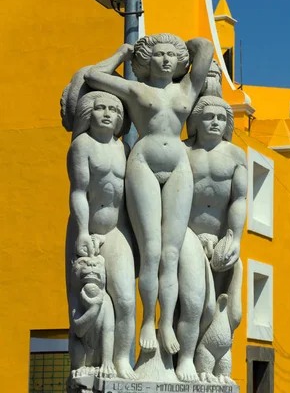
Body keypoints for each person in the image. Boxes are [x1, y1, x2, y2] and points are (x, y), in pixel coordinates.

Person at [84, 34, 214, 354]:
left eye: (172, 55)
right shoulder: (135, 89)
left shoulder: (188, 88)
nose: (166, 60)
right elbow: (90, 76)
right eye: (159, 54)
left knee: (171, 252)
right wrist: (121, 54)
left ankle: (165, 322)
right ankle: (146, 320)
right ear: (147, 60)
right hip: (142, 163)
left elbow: (206, 49)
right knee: (152, 250)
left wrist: (185, 45)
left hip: (178, 168)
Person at [65, 91, 137, 379]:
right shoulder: (82, 146)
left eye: (113, 109)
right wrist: (83, 232)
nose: (107, 114)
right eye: (100, 108)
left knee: (126, 302)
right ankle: (85, 363)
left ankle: (121, 359)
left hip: (117, 233)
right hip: (87, 230)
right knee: (83, 302)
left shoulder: (123, 149)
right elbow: (79, 191)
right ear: (88, 113)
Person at [178, 95, 246, 383]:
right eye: (209, 117)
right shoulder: (181, 152)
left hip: (221, 243)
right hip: (186, 238)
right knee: (191, 303)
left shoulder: (235, 155)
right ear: (196, 121)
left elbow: (239, 199)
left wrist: (234, 238)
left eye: (221, 117)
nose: (216, 122)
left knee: (224, 310)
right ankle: (183, 361)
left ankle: (213, 365)